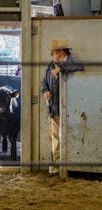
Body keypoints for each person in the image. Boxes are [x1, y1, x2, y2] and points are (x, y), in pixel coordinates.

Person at [41, 39, 84, 176]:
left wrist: (61, 68)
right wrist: (45, 91)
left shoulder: (73, 63)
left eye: (53, 52)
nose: (51, 54)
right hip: (54, 108)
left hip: (71, 110)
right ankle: (56, 167)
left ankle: (69, 167)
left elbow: (79, 69)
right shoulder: (50, 66)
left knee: (68, 138)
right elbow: (43, 82)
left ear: (60, 52)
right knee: (55, 139)